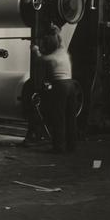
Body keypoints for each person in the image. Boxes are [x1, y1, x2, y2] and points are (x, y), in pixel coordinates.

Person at [31, 25, 78, 153]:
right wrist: (56, 29)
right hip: (71, 85)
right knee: (70, 117)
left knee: (59, 117)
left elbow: (40, 60)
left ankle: (59, 147)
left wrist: (35, 49)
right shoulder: (63, 51)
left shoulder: (51, 58)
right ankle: (71, 146)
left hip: (60, 87)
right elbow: (59, 39)